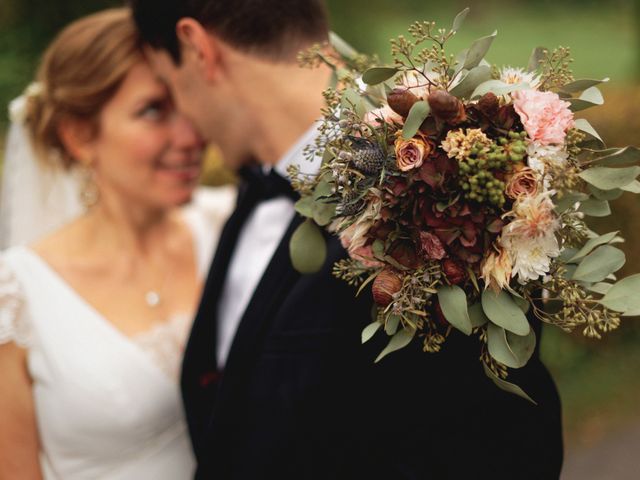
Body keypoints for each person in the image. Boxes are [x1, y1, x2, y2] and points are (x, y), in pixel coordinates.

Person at [131, 1, 564, 478]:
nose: (186, 122)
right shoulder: (257, 192)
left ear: (196, 48)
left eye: (170, 87)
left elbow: (503, 452)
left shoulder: (441, 190)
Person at [0, 8, 235, 479]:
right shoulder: (15, 296)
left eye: (185, 101)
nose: (190, 137)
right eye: (153, 111)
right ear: (79, 135)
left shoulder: (229, 224)